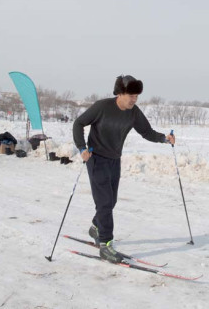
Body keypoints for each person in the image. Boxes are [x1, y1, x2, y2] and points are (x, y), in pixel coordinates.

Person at [72, 75, 175, 263]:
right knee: (104, 203)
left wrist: (163, 138)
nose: (134, 100)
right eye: (131, 96)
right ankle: (106, 245)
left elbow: (146, 132)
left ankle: (96, 227)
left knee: (111, 201)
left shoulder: (133, 112)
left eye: (136, 97)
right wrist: (81, 148)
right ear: (120, 93)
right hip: (96, 159)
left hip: (114, 160)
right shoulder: (102, 107)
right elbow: (78, 123)